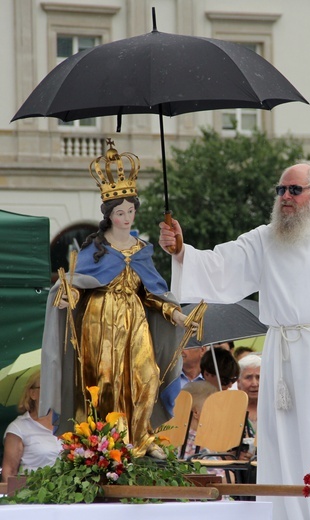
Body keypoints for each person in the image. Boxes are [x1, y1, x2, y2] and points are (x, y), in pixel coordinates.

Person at [159, 161, 310, 520]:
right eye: (281, 190)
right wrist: (181, 251)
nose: (285, 197)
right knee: (283, 444)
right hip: (284, 357)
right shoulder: (264, 239)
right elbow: (220, 266)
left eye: (294, 190)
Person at [40, 140, 195, 461]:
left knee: (147, 376)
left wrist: (178, 316)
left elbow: (153, 293)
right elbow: (78, 285)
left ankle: (141, 436)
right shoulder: (91, 250)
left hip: (135, 321)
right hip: (99, 322)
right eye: (121, 212)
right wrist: (68, 297)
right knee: (106, 384)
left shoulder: (142, 250)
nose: (127, 217)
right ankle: (106, 442)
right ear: (109, 216)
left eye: (131, 211)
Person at [1, 371, 61, 482]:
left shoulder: (68, 424)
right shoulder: (18, 428)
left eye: (56, 387)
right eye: (46, 387)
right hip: (33, 495)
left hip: (69, 496)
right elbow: (9, 472)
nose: (52, 392)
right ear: (32, 394)